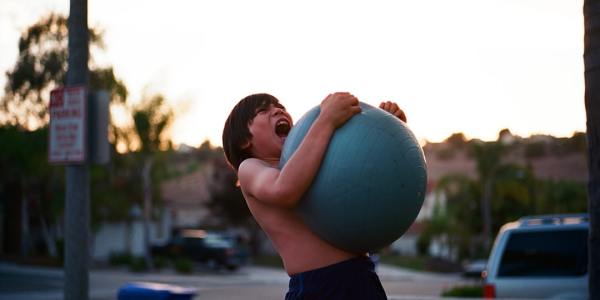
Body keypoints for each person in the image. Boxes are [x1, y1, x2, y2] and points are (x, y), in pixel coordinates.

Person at [222, 92, 406, 299]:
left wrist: (386, 134)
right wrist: (326, 120)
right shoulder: (251, 168)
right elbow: (285, 190)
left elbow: (363, 178)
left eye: (279, 106)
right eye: (263, 111)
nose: (278, 110)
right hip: (318, 286)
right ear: (244, 140)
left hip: (362, 276)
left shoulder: (312, 163)